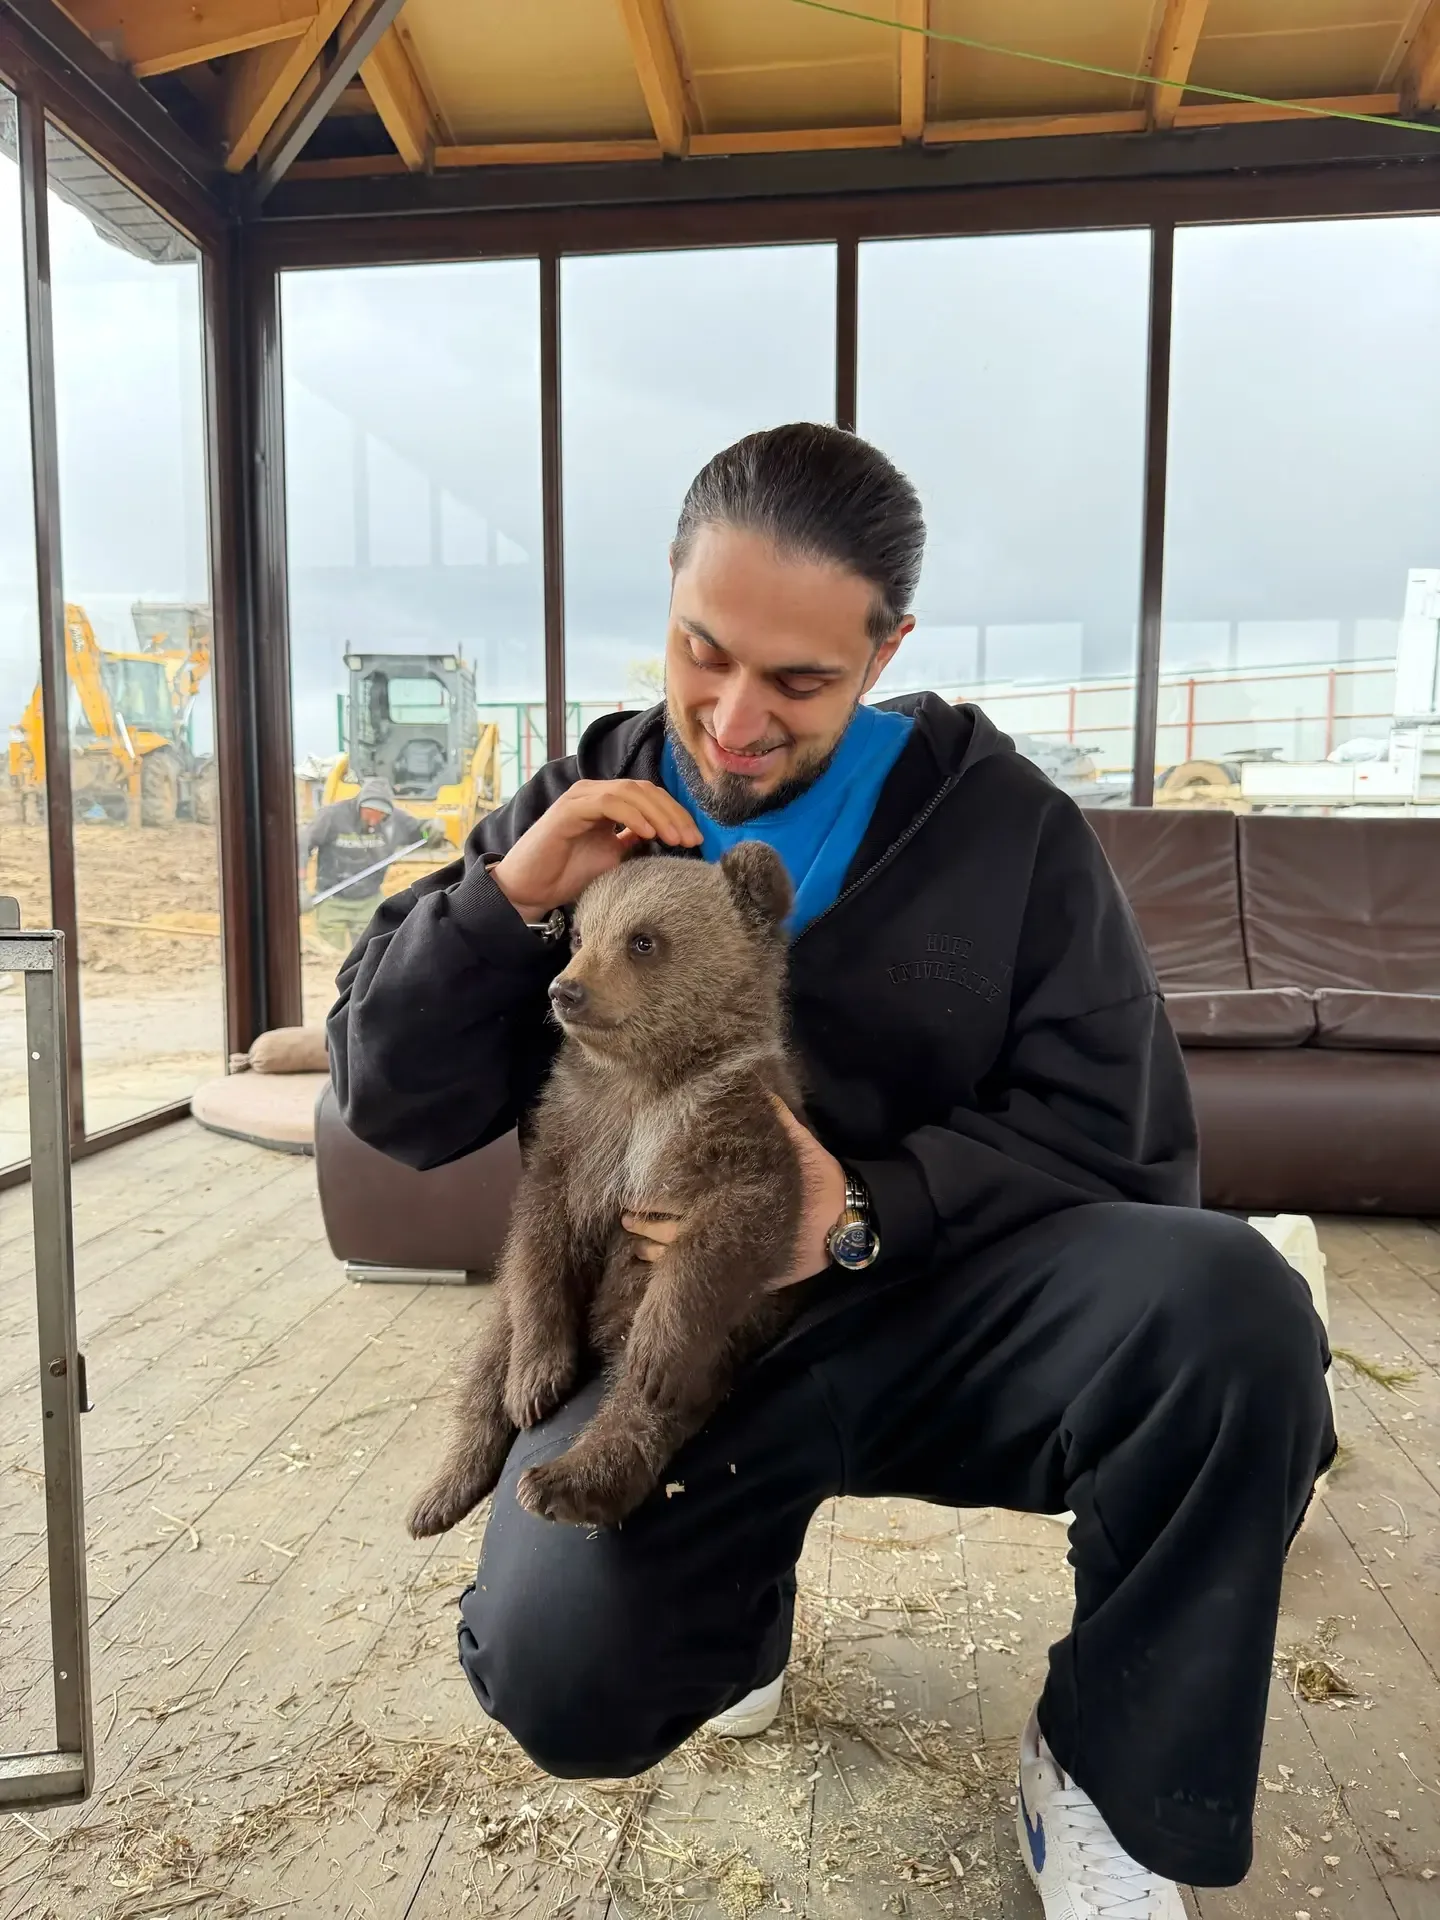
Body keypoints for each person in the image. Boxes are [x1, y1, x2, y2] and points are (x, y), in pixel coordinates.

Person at [328, 425, 1334, 1918]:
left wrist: (863, 1210)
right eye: (702, 651)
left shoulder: (1005, 829)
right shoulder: (586, 804)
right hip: (675, 1339)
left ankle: (1105, 1773)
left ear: (886, 650)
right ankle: (730, 1617)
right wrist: (503, 897)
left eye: (798, 681)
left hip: (945, 1309)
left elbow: (1126, 1145)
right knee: (563, 1677)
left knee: (1235, 1313)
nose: (733, 722)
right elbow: (390, 1099)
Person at [297, 776, 443, 953]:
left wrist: (432, 829)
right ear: (360, 805)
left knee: (369, 953)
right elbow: (302, 845)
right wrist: (299, 886)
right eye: (369, 813)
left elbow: (423, 834)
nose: (373, 820)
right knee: (330, 956)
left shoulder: (396, 821)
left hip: (369, 901)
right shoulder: (332, 816)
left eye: (380, 815)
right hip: (331, 900)